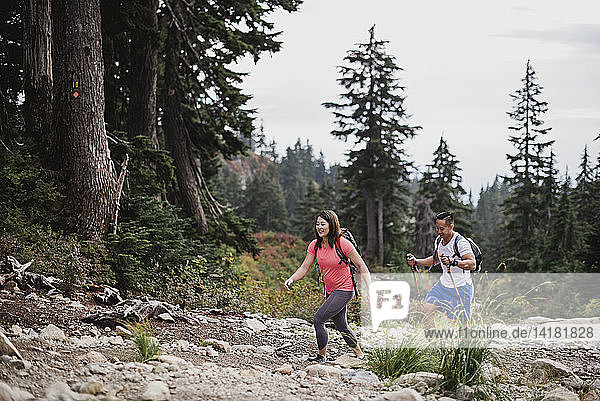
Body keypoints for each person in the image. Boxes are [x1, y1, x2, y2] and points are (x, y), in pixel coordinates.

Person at [284, 210, 371, 363]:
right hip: (331, 291)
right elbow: (304, 268)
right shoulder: (315, 245)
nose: (319, 227)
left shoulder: (343, 244)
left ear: (332, 225)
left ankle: (321, 356)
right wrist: (292, 279)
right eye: (317, 224)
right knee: (341, 324)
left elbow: (362, 266)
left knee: (318, 319)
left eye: (322, 224)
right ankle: (360, 354)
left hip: (345, 289)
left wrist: (369, 288)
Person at [406, 211, 476, 324]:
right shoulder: (438, 241)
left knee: (461, 323)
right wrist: (416, 261)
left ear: (451, 227)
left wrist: (454, 262)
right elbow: (435, 260)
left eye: (442, 229)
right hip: (443, 286)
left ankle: (466, 342)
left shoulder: (461, 243)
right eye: (437, 228)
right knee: (425, 310)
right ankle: (433, 341)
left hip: (462, 287)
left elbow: (472, 264)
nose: (438, 231)